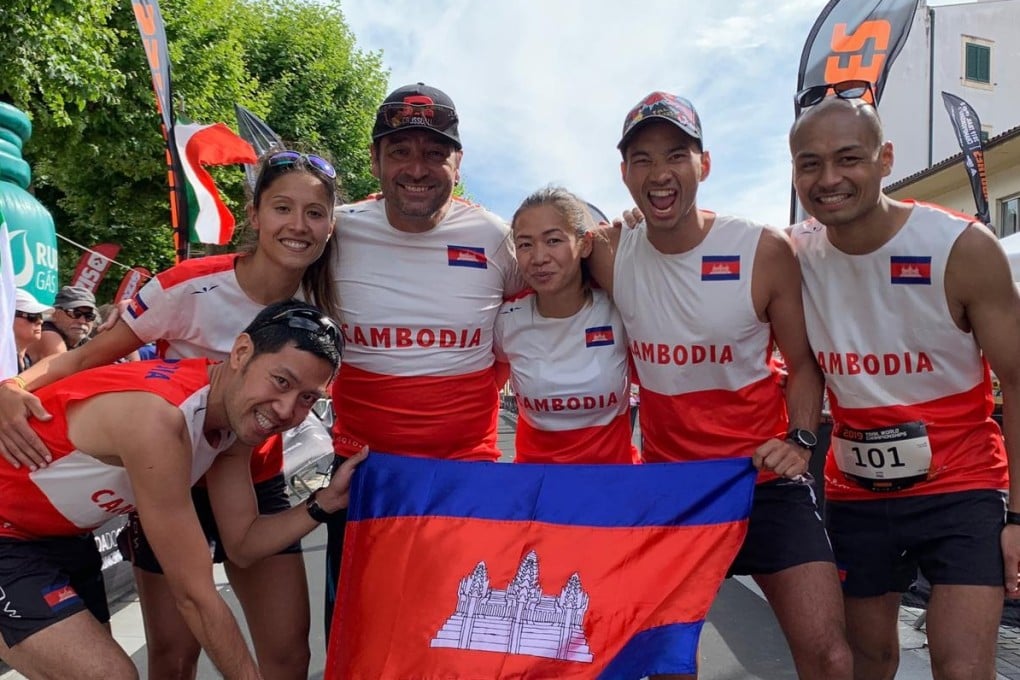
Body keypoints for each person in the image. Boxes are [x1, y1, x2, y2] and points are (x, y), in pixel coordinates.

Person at [0, 148, 340, 679]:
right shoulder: (191, 286)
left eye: (315, 213)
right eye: (281, 208)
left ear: (330, 225)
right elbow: (89, 355)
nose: (298, 225)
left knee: (288, 653)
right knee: (174, 653)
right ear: (253, 214)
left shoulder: (324, 306)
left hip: (238, 462)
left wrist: (325, 501)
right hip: (165, 468)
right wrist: (12, 385)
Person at [586, 91, 852, 679]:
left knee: (830, 655)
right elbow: (535, 254)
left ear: (702, 165)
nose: (660, 175)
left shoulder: (760, 249)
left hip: (761, 481)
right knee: (668, 662)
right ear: (624, 172)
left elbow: (804, 363)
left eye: (676, 155)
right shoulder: (606, 250)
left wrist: (803, 441)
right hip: (674, 487)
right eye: (643, 159)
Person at [0, 300, 362, 680]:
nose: (287, 410)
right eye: (281, 381)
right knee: (109, 676)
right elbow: (195, 596)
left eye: (308, 398)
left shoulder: (231, 421)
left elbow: (242, 543)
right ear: (241, 353)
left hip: (59, 538)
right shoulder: (161, 418)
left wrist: (325, 502)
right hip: (11, 534)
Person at [788, 91, 1020, 680]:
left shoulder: (961, 247)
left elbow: (1018, 381)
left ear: (885, 158)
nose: (829, 178)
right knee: (870, 661)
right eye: (810, 163)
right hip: (856, 494)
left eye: (849, 158)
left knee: (962, 668)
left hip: (962, 488)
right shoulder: (793, 255)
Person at [325, 82, 523, 631]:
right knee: (360, 638)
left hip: (464, 474)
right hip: (364, 476)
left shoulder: (496, 237)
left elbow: (543, 317)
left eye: (435, 153)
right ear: (375, 160)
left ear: (457, 163)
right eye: (401, 151)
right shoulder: (334, 232)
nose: (418, 168)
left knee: (456, 637)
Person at [494, 186, 637, 464]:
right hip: (537, 491)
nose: (538, 258)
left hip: (613, 489)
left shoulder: (621, 311)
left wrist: (645, 230)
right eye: (525, 244)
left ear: (584, 244)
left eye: (553, 240)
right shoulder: (506, 321)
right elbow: (479, 390)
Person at [26, 285, 97, 359]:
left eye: (89, 316)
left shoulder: (85, 342)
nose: (82, 321)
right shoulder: (48, 335)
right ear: (55, 313)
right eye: (75, 313)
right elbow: (66, 368)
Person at [12, 289, 51, 373]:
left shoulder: (26, 360)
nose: (40, 321)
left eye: (40, 316)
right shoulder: (4, 361)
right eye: (32, 316)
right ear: (7, 317)